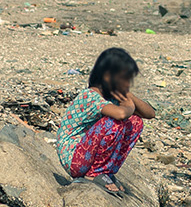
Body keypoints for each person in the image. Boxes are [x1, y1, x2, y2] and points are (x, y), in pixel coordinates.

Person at [56, 47, 155, 194]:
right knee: (113, 123)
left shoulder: (111, 98)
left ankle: (106, 172)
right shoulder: (89, 96)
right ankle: (94, 174)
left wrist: (128, 95)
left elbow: (150, 113)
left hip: (87, 155)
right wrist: (128, 103)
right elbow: (121, 114)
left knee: (135, 122)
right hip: (74, 159)